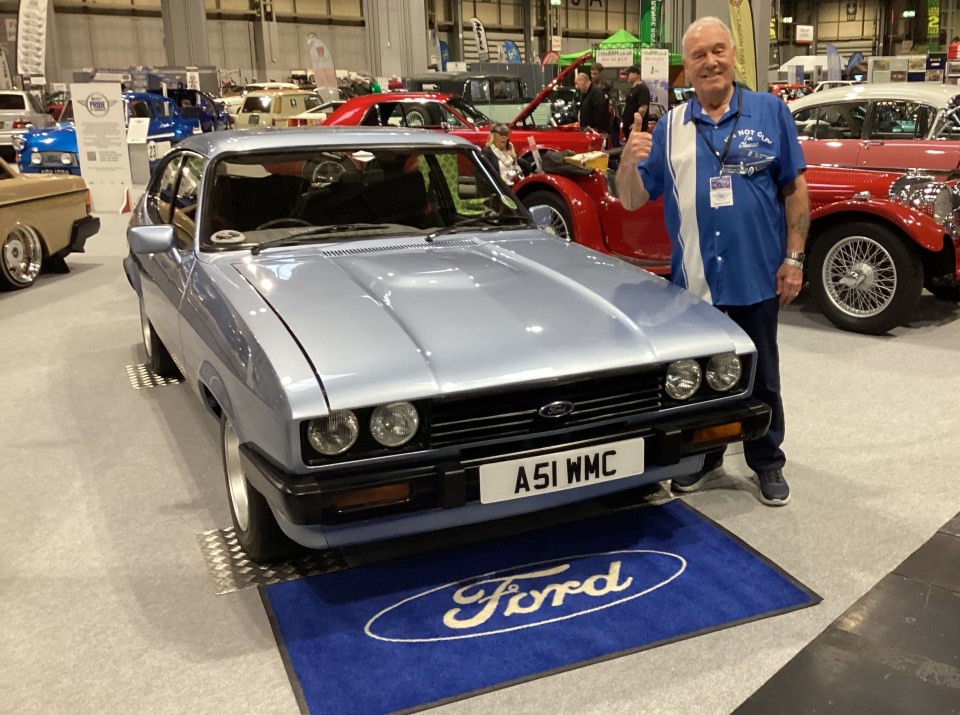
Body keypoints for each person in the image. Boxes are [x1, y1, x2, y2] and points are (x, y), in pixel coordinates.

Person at [616, 16, 809, 507]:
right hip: (694, 288)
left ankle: (767, 462)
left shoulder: (770, 112)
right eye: (698, 55)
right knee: (698, 381)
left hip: (757, 279)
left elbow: (795, 189)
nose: (710, 62)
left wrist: (794, 258)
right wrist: (626, 160)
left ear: (733, 56)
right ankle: (706, 459)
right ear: (688, 67)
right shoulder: (672, 126)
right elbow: (635, 199)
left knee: (762, 377)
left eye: (717, 50)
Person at [621, 65, 651, 139]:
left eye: (628, 74)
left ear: (635, 74)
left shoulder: (642, 88)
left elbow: (643, 108)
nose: (627, 76)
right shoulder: (633, 89)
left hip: (636, 129)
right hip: (629, 128)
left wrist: (635, 124)